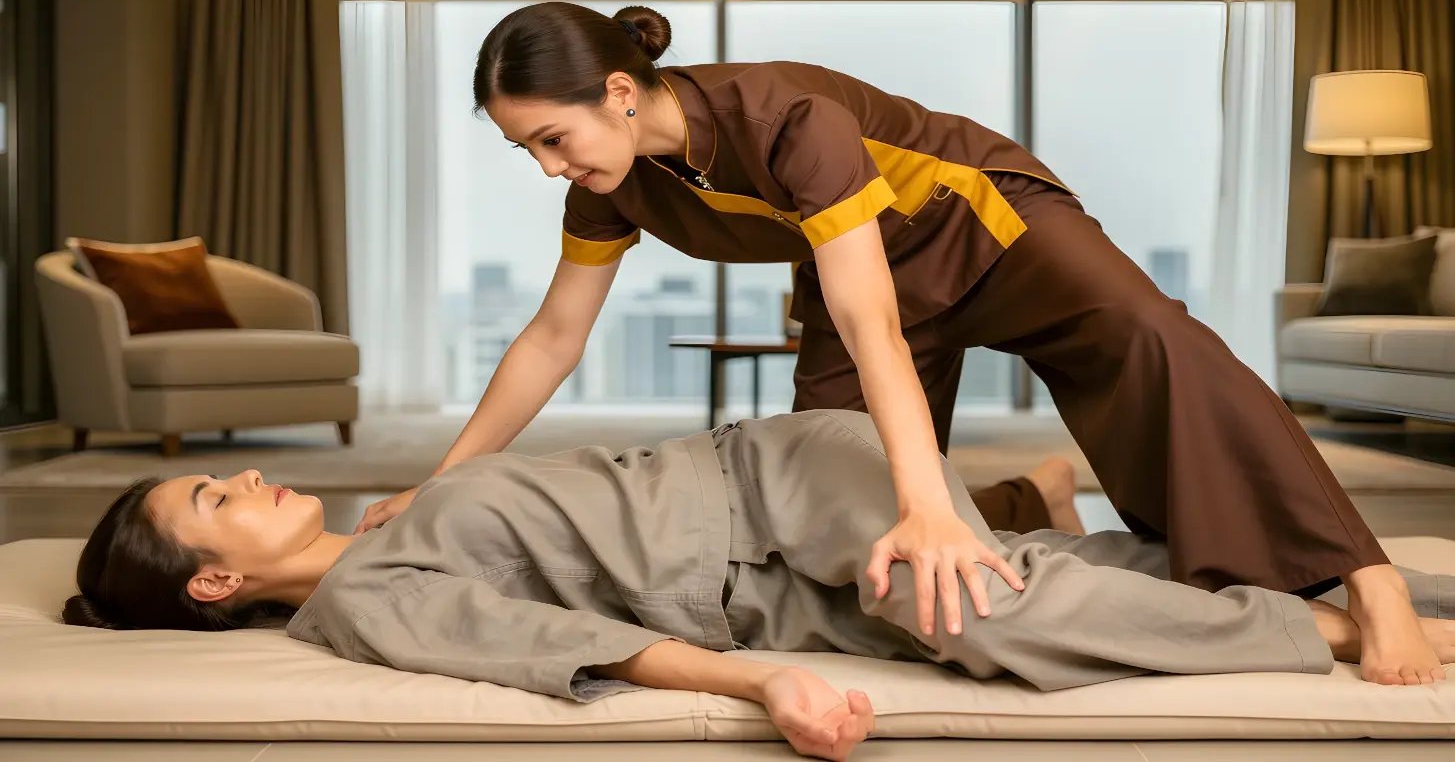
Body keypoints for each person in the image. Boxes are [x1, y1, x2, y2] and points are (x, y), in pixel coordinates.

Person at [353, 1, 1440, 683]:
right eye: (524, 150)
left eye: (551, 137)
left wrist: (930, 497)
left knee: (1154, 340)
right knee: (836, 491)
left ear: (621, 93)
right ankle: (1032, 505)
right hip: (852, 275)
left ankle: (1365, 575)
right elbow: (552, 338)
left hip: (987, 228)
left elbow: (876, 315)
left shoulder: (785, 119)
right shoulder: (616, 183)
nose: (546, 165)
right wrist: (443, 482)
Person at [65, 411, 1454, 761]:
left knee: (971, 606)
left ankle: (1337, 612)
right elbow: (569, 640)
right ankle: (1039, 503)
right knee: (1037, 585)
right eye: (214, 499)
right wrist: (759, 676)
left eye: (226, 477)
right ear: (208, 583)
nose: (245, 484)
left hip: (775, 482)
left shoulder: (392, 516)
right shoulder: (365, 602)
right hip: (783, 590)